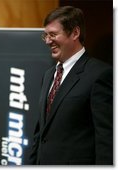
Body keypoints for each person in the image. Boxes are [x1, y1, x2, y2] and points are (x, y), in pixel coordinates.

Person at [28, 6, 113, 165]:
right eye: (45, 35)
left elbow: (106, 139)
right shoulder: (48, 75)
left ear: (75, 33)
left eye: (53, 34)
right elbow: (40, 134)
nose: (47, 41)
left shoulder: (100, 74)